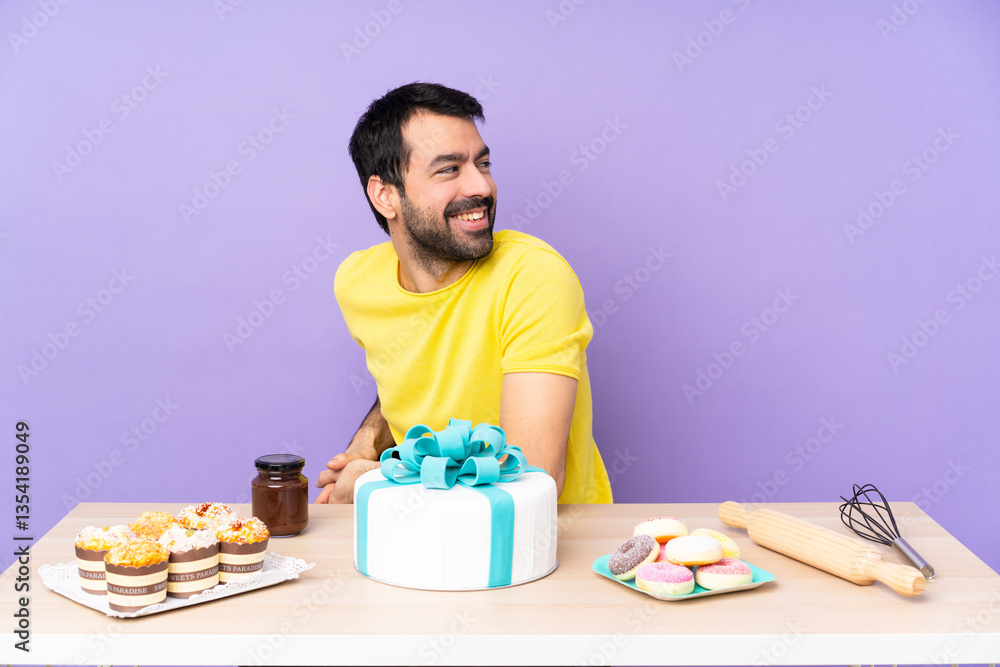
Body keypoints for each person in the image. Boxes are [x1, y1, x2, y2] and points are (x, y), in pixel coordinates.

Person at [316, 82, 612, 504]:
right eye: (449, 169)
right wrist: (371, 434)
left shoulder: (531, 276)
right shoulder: (358, 281)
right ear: (386, 196)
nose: (482, 187)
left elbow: (531, 482)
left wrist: (376, 481)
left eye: (483, 163)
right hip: (414, 540)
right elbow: (418, 370)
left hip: (538, 552)